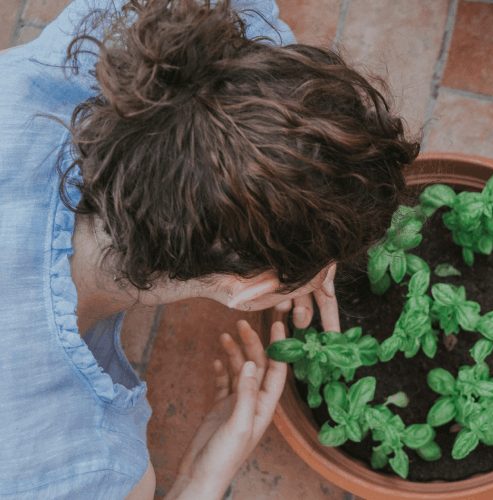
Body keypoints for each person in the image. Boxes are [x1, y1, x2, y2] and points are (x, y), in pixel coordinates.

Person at [0, 0, 418, 497]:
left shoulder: (69, 60)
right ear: (252, 289)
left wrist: (282, 176)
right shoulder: (84, 462)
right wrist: (202, 479)